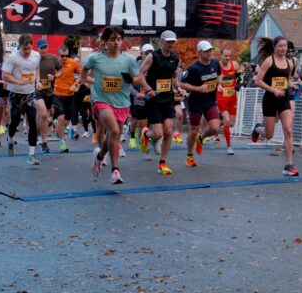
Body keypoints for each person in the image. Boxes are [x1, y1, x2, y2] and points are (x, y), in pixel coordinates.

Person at [83, 26, 152, 184]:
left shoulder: (128, 60)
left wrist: (142, 86)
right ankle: (115, 171)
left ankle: (100, 156)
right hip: (102, 100)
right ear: (105, 42)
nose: (116, 42)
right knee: (114, 131)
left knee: (113, 136)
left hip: (122, 102)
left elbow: (137, 77)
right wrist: (83, 81)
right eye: (112, 39)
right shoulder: (96, 58)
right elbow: (84, 70)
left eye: (119, 39)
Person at [139, 30, 182, 175]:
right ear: (161, 41)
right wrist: (148, 88)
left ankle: (162, 163)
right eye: (168, 41)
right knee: (158, 134)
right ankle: (146, 135)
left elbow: (174, 75)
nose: (171, 44)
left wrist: (178, 87)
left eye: (173, 42)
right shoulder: (153, 56)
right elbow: (139, 74)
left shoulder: (175, 58)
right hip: (154, 99)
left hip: (168, 98)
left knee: (168, 131)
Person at [254, 36, 298, 176]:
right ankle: (257, 129)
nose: (284, 49)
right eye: (280, 46)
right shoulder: (268, 61)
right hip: (270, 100)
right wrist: (274, 90)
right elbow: (258, 81)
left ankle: (289, 165)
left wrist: (293, 85)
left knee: (289, 131)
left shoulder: (289, 62)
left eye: (285, 46)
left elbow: (288, 80)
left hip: (283, 99)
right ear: (274, 47)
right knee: (269, 134)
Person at [180, 40, 223, 168]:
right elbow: (183, 84)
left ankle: (201, 138)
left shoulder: (215, 63)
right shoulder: (194, 68)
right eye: (206, 51)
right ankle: (189, 155)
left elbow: (219, 75)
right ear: (200, 52)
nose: (209, 53)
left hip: (210, 101)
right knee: (193, 130)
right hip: (196, 103)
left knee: (215, 128)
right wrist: (199, 89)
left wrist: (219, 84)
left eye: (210, 50)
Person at [2, 34, 42, 164]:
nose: (27, 51)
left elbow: (36, 68)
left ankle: (31, 155)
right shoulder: (12, 58)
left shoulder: (36, 55)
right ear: (20, 46)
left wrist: (38, 81)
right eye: (25, 48)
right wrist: (18, 82)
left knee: (33, 121)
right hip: (16, 94)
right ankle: (10, 138)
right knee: (15, 121)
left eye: (29, 48)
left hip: (30, 94)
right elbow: (5, 76)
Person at [35, 38, 62, 152]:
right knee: (44, 115)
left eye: (45, 47)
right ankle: (44, 142)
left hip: (50, 91)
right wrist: (37, 82)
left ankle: (36, 134)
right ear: (38, 48)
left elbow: (61, 71)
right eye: (41, 48)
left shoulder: (53, 58)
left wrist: (55, 76)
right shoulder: (34, 59)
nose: (44, 50)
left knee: (42, 117)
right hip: (37, 90)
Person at [53, 45, 82, 149]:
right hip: (57, 95)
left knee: (66, 122)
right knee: (61, 118)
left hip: (69, 95)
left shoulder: (73, 62)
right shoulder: (54, 63)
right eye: (62, 56)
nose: (64, 58)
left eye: (66, 56)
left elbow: (82, 74)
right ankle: (62, 142)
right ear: (58, 55)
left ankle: (58, 127)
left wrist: (75, 84)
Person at [215, 46, 239, 156]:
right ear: (221, 55)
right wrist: (218, 85)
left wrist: (239, 83)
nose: (228, 58)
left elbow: (239, 77)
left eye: (229, 56)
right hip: (222, 97)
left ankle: (214, 124)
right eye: (225, 56)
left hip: (233, 97)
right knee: (227, 120)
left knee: (231, 124)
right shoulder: (217, 66)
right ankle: (229, 146)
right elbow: (213, 79)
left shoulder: (235, 65)